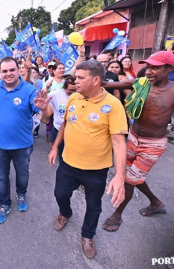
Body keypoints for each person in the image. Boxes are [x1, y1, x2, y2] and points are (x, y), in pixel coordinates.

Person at [102, 51, 174, 232]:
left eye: (155, 68)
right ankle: (155, 203)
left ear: (170, 68)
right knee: (134, 177)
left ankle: (117, 215)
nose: (149, 72)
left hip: (153, 145)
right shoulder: (140, 83)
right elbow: (107, 83)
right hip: (133, 138)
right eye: (148, 67)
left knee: (128, 181)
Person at [45, 60, 128, 259]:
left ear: (96, 80)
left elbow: (118, 143)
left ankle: (87, 235)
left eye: (81, 78)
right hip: (68, 165)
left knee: (94, 206)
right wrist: (55, 147)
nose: (75, 81)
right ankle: (65, 213)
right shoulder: (74, 98)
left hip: (96, 170)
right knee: (60, 194)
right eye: (76, 77)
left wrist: (119, 176)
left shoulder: (113, 105)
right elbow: (65, 124)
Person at [0, 56, 49, 224]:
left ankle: (21, 194)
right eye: (5, 71)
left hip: (22, 145)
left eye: (12, 70)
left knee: (22, 174)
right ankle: (4, 204)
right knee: (1, 177)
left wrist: (45, 109)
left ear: (18, 70)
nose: (8, 74)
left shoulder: (29, 90)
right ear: (0, 73)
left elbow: (44, 118)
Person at [41, 75, 77, 160]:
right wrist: (43, 101)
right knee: (62, 155)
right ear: (64, 88)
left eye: (75, 90)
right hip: (58, 130)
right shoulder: (56, 94)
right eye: (70, 90)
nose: (73, 93)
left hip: (75, 131)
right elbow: (45, 102)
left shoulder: (81, 95)